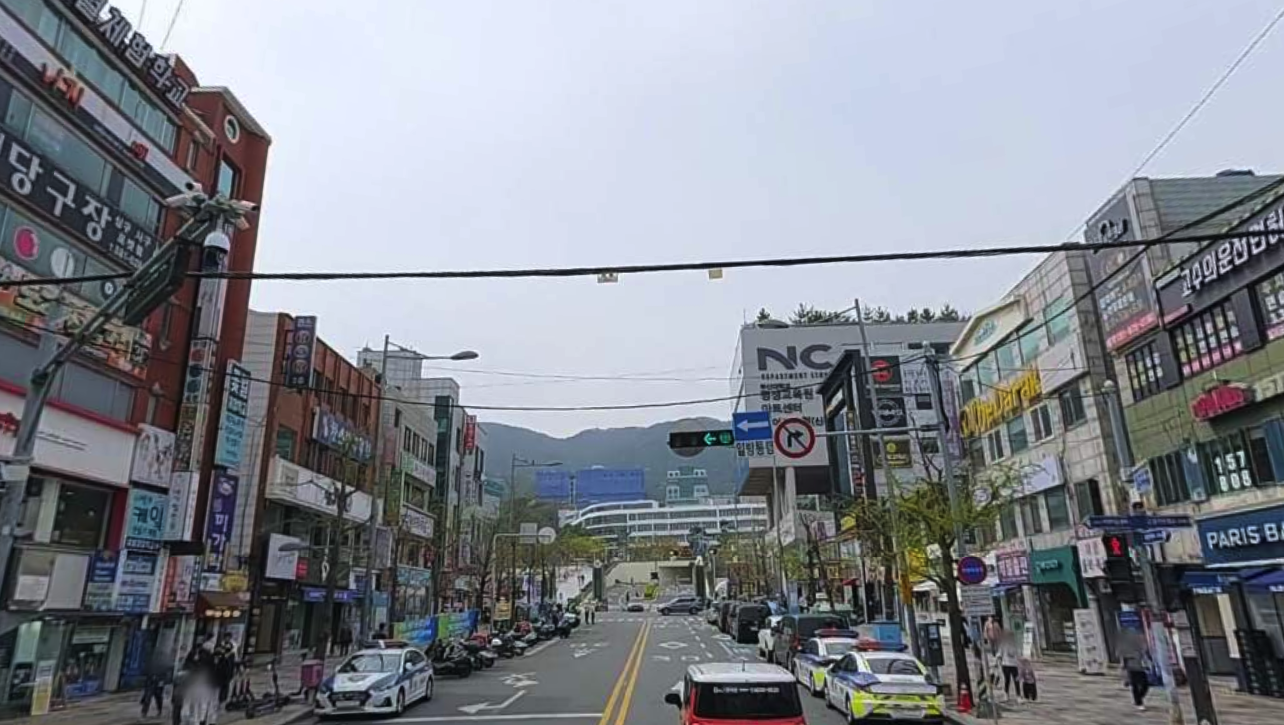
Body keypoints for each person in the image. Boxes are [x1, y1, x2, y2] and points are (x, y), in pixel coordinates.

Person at [182, 637, 219, 725]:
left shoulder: (193, 654)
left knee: (194, 702)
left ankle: (193, 719)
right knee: (202, 703)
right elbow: (213, 669)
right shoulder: (209, 656)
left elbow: (186, 665)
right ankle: (200, 720)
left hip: (194, 680)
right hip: (204, 681)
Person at [1120, 631, 1152, 711]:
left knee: (1145, 685)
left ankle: (1138, 698)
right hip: (1132, 668)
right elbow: (1124, 658)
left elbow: (1146, 655)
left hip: (1141, 668)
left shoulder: (1142, 647)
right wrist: (1125, 670)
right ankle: (1139, 703)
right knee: (1135, 686)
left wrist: (1148, 663)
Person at [213, 633, 238, 709]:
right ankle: (219, 700)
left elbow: (233, 662)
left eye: (228, 638)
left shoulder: (232, 652)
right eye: (226, 637)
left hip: (227, 672)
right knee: (219, 686)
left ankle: (222, 700)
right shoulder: (220, 647)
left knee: (225, 686)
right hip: (221, 671)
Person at [998, 632, 1021, 701]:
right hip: (1006, 664)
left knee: (1016, 681)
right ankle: (1006, 694)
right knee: (1007, 680)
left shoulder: (1016, 645)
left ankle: (1018, 696)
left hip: (1014, 665)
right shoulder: (1003, 644)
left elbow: (1018, 654)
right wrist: (998, 662)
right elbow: (999, 654)